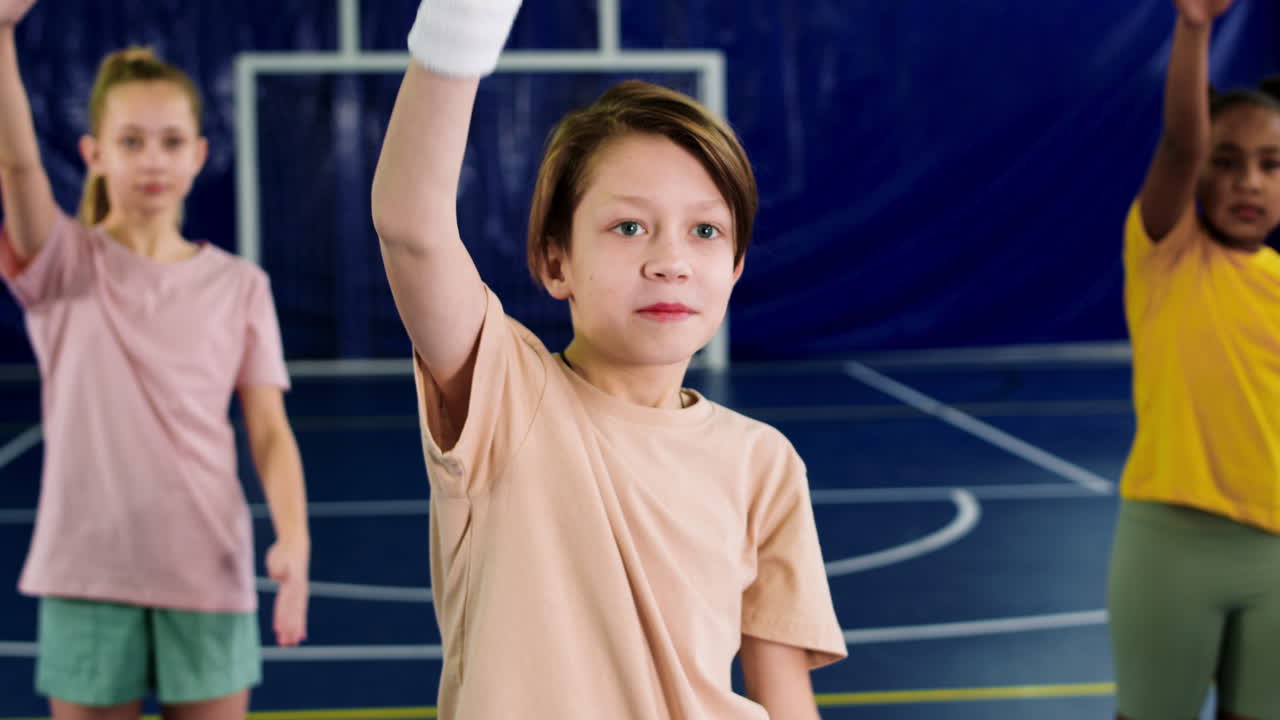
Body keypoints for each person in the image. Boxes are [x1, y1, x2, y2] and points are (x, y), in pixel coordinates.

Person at [371, 1, 846, 717]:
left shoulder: (766, 464)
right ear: (555, 260)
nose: (671, 261)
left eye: (706, 230)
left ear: (738, 265)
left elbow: (785, 698)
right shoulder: (505, 394)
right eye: (629, 226)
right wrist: (463, 18)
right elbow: (412, 228)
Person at [0, 3, 310, 717]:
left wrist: (294, 539)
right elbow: (16, 158)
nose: (152, 158)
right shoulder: (62, 266)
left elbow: (268, 429)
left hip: (207, 572)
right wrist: (1, 33)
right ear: (94, 154)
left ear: (199, 155)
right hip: (85, 576)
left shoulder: (240, 286)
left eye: (171, 141)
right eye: (131, 140)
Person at [1108, 1, 1280, 718]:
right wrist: (1195, 27)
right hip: (1173, 548)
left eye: (1271, 166)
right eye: (1227, 162)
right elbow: (1180, 144)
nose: (1249, 181)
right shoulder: (1167, 256)